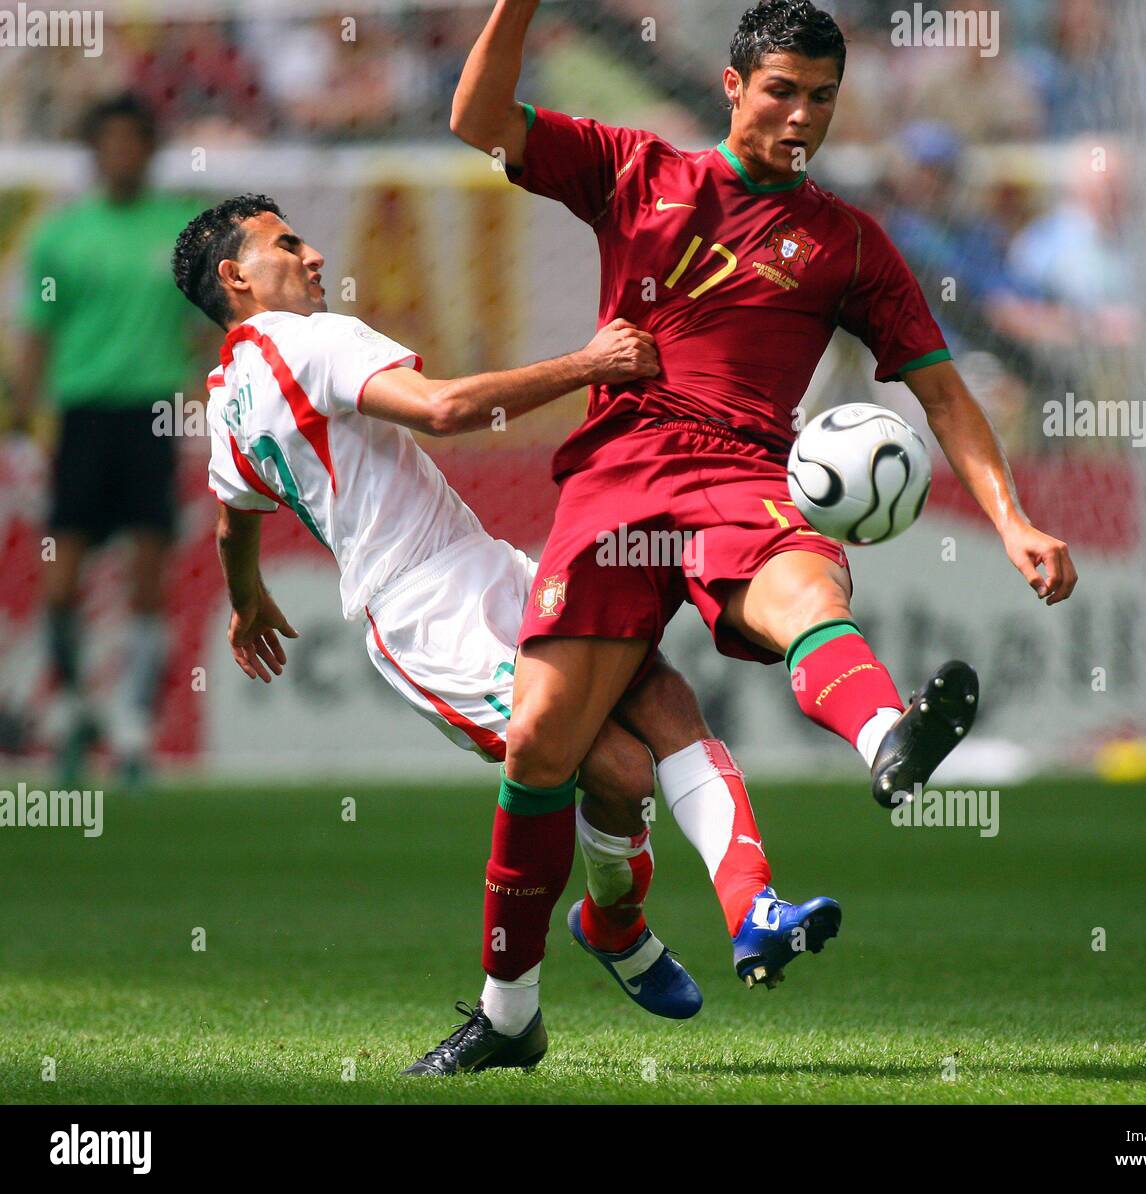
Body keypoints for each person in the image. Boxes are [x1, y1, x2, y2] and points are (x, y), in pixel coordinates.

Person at [448, 0, 1079, 1016]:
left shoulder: (848, 243)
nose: (802, 116)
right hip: (616, 475)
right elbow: (479, 117)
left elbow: (943, 391)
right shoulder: (636, 171)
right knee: (540, 749)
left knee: (802, 586)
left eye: (822, 98)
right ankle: (506, 1015)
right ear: (734, 85)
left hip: (742, 474)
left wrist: (1011, 520)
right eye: (782, 91)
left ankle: (886, 739)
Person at [171, 193, 836, 1076]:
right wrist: (587, 363)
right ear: (235, 276)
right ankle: (533, 994)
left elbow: (233, 513)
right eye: (287, 244)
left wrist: (246, 598)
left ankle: (741, 911)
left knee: (661, 698)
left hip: (487, 568)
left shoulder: (225, 396)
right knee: (618, 770)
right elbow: (443, 409)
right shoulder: (308, 339)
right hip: (427, 616)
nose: (316, 254)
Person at [14, 93, 207, 785]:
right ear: (95, 152)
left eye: (134, 141)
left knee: (147, 577)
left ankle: (131, 724)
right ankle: (69, 707)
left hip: (152, 415)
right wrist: (19, 423)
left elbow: (206, 329)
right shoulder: (63, 235)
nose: (122, 153)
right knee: (62, 579)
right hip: (83, 417)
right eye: (111, 141)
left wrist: (207, 405)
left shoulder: (181, 229)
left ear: (149, 150)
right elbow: (36, 332)